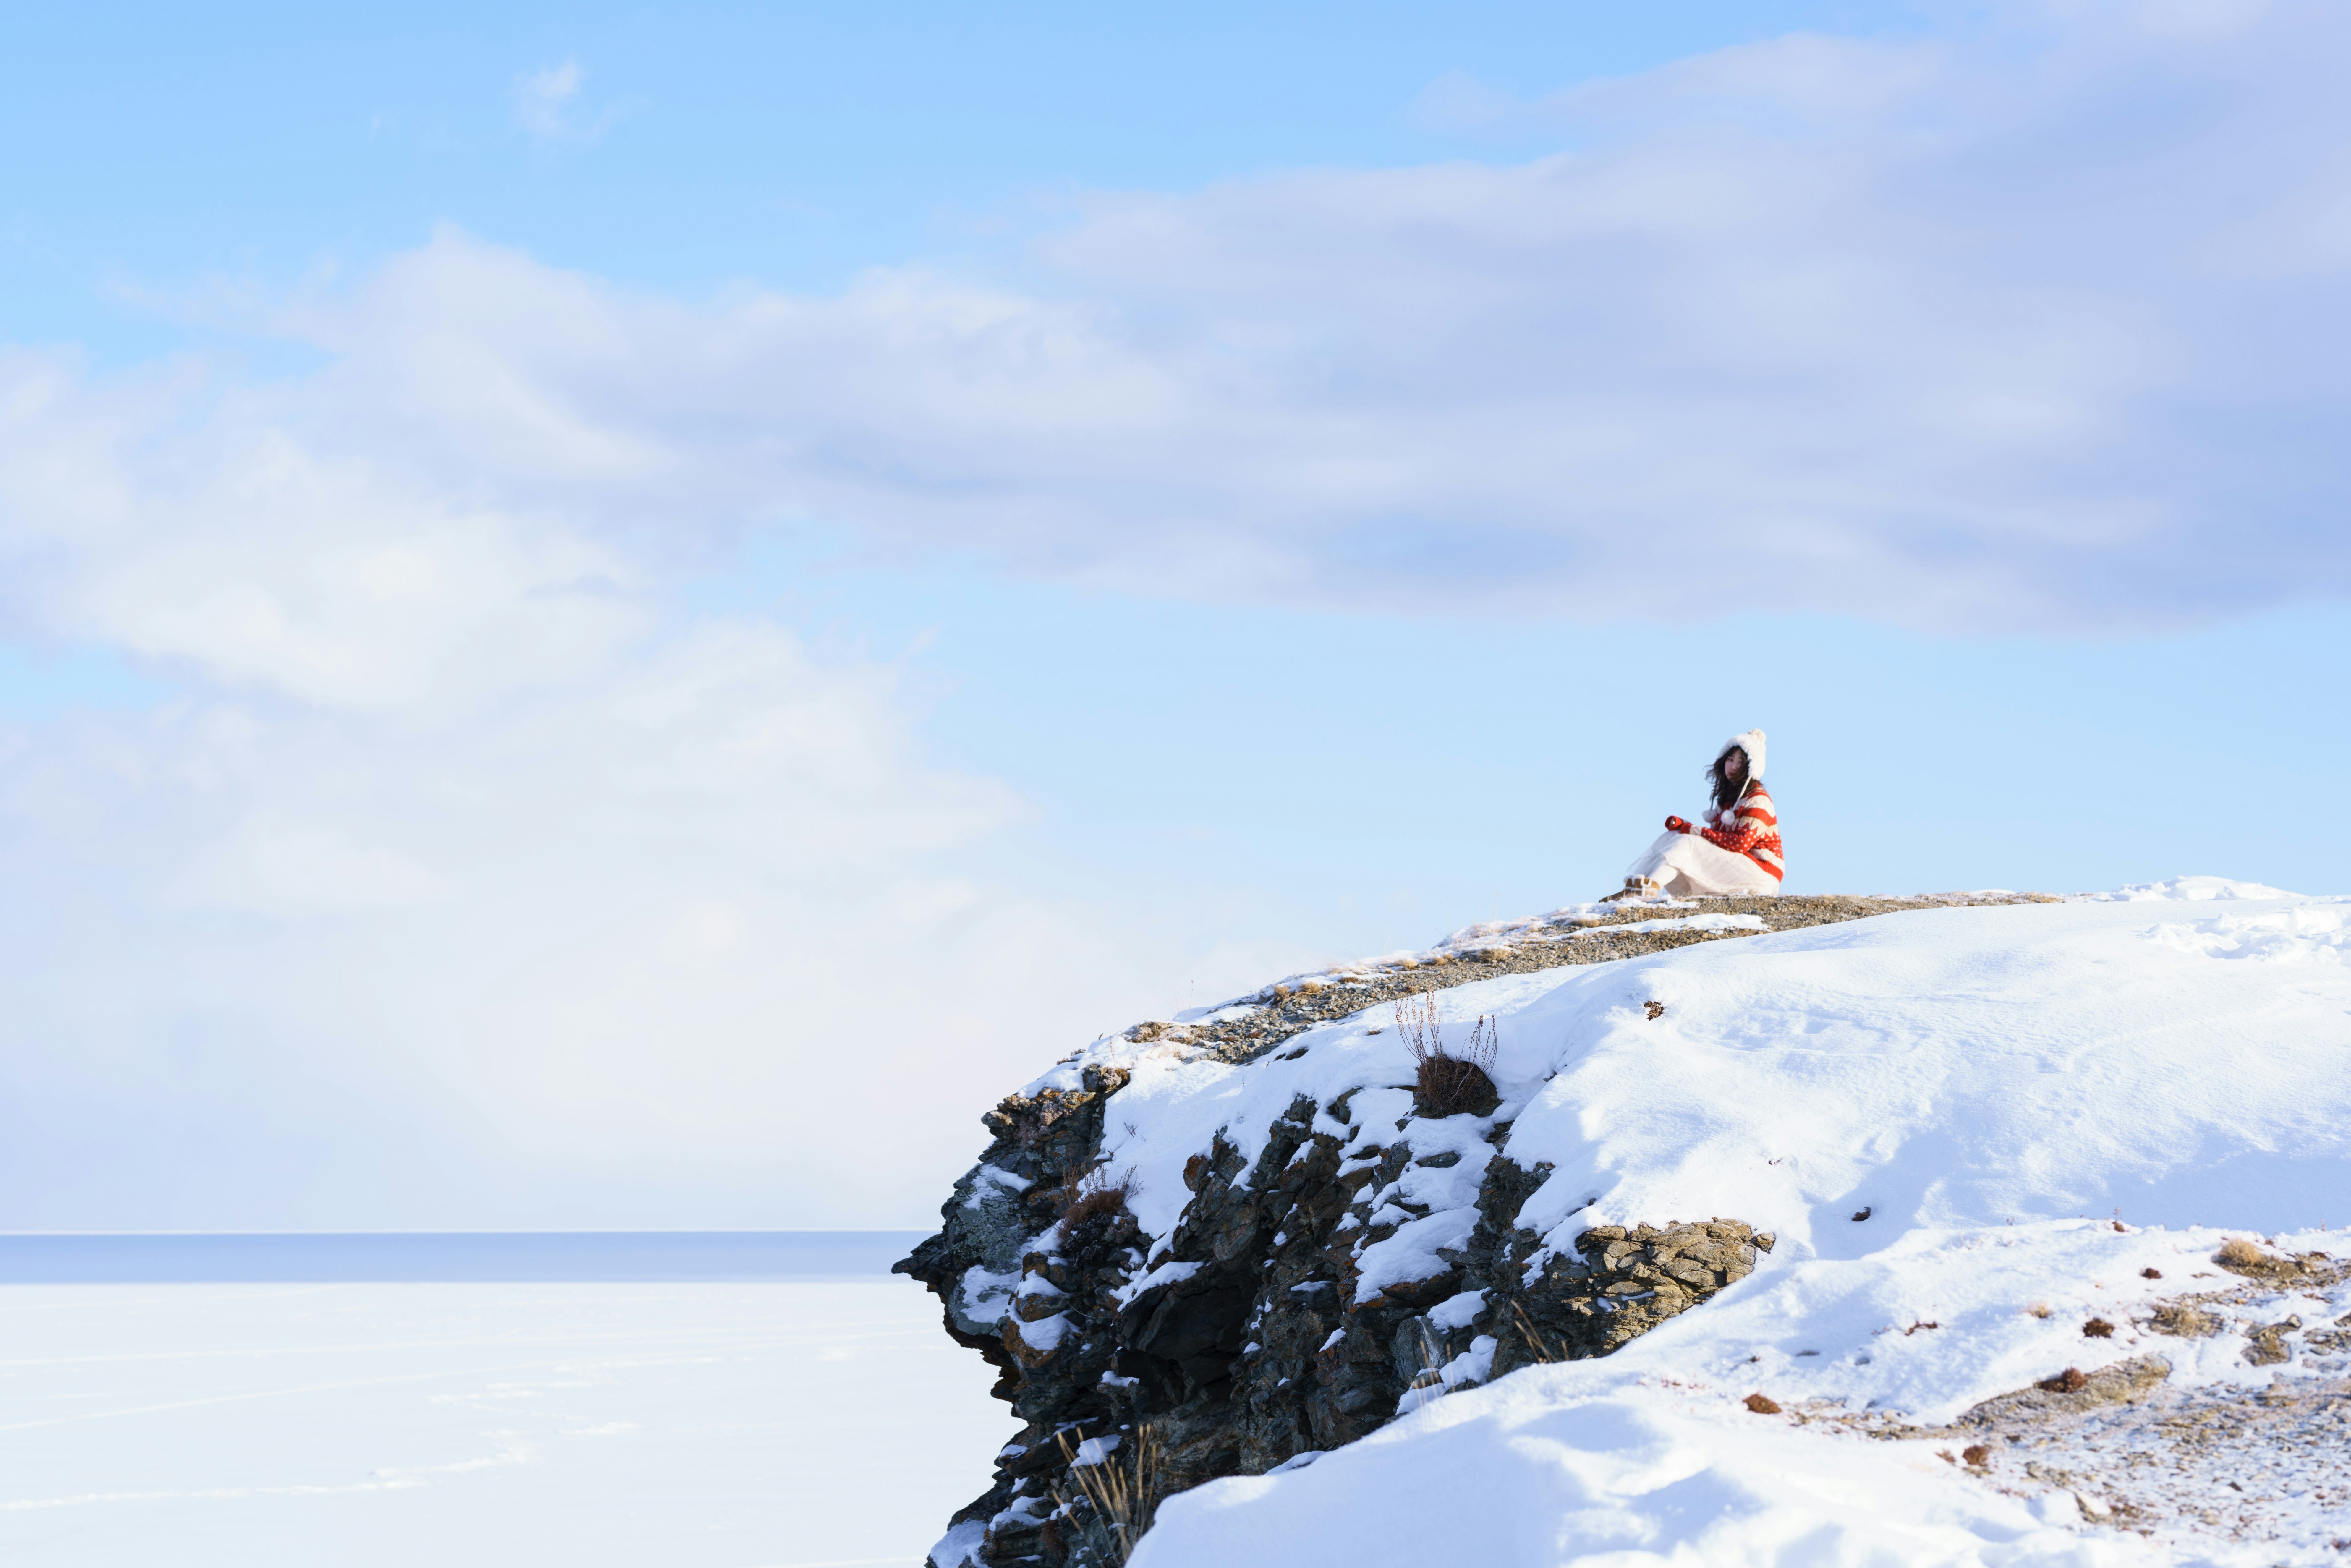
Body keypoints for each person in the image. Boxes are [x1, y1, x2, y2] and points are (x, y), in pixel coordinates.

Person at [1616, 729, 1783, 899]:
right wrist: (1687, 829)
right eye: (1730, 759)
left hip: (1762, 873)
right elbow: (1717, 842)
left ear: (1751, 768)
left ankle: (1650, 888)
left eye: (1741, 762)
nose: (1733, 767)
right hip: (1736, 866)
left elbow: (1741, 844)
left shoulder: (1758, 800)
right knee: (1674, 836)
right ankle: (1638, 888)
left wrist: (1694, 830)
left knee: (1688, 840)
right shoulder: (1726, 802)